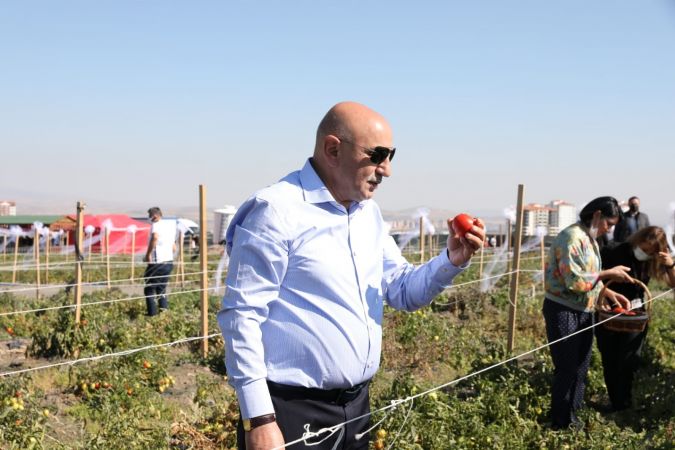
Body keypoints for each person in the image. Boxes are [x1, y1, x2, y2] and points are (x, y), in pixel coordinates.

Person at [217, 101, 485, 450]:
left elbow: (402, 290)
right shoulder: (277, 211)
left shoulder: (366, 215)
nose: (386, 169)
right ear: (333, 149)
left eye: (391, 156)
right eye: (377, 155)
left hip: (356, 407)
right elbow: (242, 316)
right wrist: (259, 420)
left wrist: (452, 259)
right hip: (291, 411)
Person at [542, 196, 633, 430]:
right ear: (597, 216)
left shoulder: (590, 239)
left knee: (581, 367)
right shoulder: (571, 238)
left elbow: (590, 276)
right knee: (567, 368)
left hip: (583, 309)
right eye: (608, 224)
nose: (608, 230)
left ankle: (574, 415)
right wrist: (608, 273)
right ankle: (561, 423)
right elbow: (574, 281)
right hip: (563, 309)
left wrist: (609, 294)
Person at [596, 226, 675, 411]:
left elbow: (673, 284)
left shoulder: (654, 260)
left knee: (629, 359)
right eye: (643, 247)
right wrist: (606, 292)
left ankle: (625, 403)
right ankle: (615, 402)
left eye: (649, 251)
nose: (644, 253)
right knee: (610, 357)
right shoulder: (614, 250)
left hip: (635, 314)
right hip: (609, 310)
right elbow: (594, 275)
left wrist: (670, 264)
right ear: (637, 240)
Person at [143, 207, 176, 316]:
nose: (149, 218)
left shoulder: (156, 225)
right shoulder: (169, 227)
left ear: (155, 216)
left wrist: (148, 254)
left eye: (149, 216)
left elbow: (155, 237)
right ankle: (164, 314)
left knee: (149, 289)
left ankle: (152, 315)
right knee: (161, 288)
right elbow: (174, 247)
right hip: (168, 261)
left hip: (158, 262)